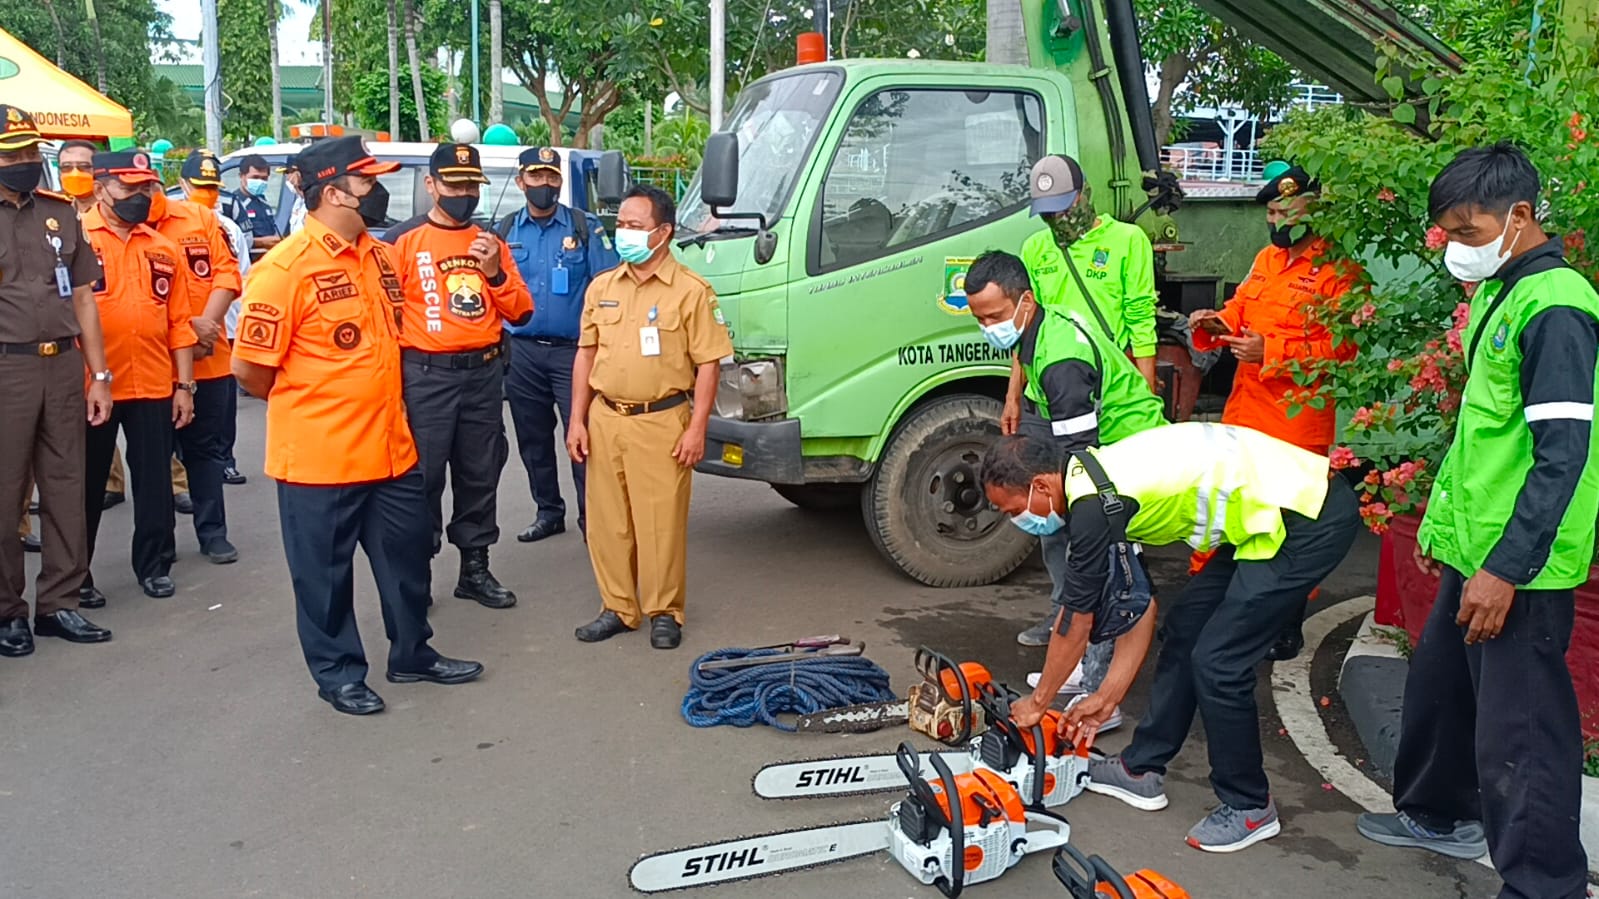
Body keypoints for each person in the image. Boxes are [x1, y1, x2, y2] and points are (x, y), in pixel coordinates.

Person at [1356, 143, 1597, 899]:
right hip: (1476, 543)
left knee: (1520, 733)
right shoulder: (1505, 287)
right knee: (1440, 693)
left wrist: (1504, 569)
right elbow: (1483, 433)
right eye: (1449, 234)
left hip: (1518, 560)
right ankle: (1436, 811)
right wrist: (1440, 533)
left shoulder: (1555, 305)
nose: (1457, 249)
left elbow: (1562, 455)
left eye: (1467, 231)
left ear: (1519, 216)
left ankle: (1544, 884)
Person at [984, 423, 1359, 853]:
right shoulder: (1094, 483)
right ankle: (1141, 770)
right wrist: (1108, 695)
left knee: (1219, 662)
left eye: (1013, 510)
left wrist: (1038, 703)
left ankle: (1249, 805)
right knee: (1185, 629)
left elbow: (1074, 623)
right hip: (1266, 522)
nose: (1018, 522)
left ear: (1038, 485)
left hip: (1309, 517)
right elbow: (1140, 606)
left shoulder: (1093, 506)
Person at [231, 135, 482, 716]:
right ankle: (340, 673)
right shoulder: (285, 271)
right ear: (333, 192)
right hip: (320, 458)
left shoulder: (380, 255)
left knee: (408, 555)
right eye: (368, 182)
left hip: (390, 448)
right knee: (324, 577)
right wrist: (314, 405)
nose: (378, 192)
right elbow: (250, 369)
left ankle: (413, 653)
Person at [966, 249, 1167, 728]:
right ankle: (1082, 670)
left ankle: (1101, 699)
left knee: (1106, 570)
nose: (988, 325)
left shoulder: (1062, 363)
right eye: (979, 318)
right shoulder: (1035, 330)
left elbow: (1078, 459)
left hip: (1126, 451)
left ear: (1024, 302)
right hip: (1100, 447)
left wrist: (1077, 519)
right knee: (1088, 562)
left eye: (994, 316)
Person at [1189, 162, 1358, 662]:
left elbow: (1344, 350)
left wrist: (1274, 352)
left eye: (1285, 208)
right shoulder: (1266, 259)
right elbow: (1241, 309)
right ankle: (1209, 616)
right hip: (1245, 419)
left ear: (1313, 208)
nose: (1275, 217)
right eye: (1270, 209)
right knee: (1229, 517)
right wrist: (1215, 322)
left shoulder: (1339, 274)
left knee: (1286, 531)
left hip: (1295, 427)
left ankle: (1285, 624)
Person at [568, 184, 732, 650]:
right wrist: (576, 419)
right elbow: (585, 354)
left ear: (663, 232)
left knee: (660, 522)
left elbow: (708, 364)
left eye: (635, 227)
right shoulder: (603, 287)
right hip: (605, 418)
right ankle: (618, 607)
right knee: (607, 522)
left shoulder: (691, 292)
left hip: (662, 420)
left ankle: (664, 610)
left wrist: (698, 427)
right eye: (620, 224)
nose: (625, 234)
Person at [383, 143, 533, 609]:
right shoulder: (400, 242)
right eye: (455, 184)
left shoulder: (492, 243)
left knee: (480, 472)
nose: (464, 193)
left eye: (472, 186)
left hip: (484, 375)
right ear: (431, 185)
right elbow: (384, 317)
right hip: (425, 376)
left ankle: (475, 568)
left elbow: (522, 310)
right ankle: (417, 573)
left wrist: (492, 273)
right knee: (422, 478)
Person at [0, 106, 114, 657]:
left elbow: (86, 298)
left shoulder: (60, 213)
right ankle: (7, 610)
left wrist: (100, 375)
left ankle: (59, 602)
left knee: (67, 485)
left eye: (27, 152)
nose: (23, 162)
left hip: (64, 364)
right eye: (11, 153)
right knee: (5, 491)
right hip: (7, 367)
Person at [80, 149, 197, 601]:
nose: (140, 196)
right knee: (85, 483)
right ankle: (76, 574)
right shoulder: (78, 239)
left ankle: (154, 564)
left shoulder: (161, 247)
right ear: (100, 188)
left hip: (152, 380)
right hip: (93, 385)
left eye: (146, 187)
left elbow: (179, 322)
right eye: (128, 187)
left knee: (154, 482)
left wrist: (184, 386)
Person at [500, 146, 618, 542]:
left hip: (574, 352)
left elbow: (607, 285)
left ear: (560, 182)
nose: (545, 185)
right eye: (536, 177)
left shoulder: (583, 227)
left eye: (552, 177)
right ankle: (548, 510)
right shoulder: (504, 231)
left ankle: (593, 518)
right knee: (532, 439)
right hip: (523, 353)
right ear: (521, 182)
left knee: (583, 434)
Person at [147, 149, 243, 564]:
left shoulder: (200, 220)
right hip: (151, 366)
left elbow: (227, 272)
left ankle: (213, 532)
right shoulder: (121, 228)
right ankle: (158, 547)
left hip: (209, 358)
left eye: (147, 185)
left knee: (205, 452)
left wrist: (206, 323)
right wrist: (188, 330)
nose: (142, 195)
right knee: (153, 460)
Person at [1017, 154, 1159, 395]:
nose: (1056, 218)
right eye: (1047, 211)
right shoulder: (1034, 248)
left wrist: (1146, 393)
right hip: (1052, 381)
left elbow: (1141, 319)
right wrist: (1014, 396)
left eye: (1063, 207)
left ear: (1084, 192)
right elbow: (1027, 327)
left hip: (1108, 380)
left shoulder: (1129, 240)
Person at [220, 154, 281, 252]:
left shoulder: (263, 202)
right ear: (241, 176)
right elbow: (230, 238)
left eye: (264, 178)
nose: (260, 182)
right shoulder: (232, 204)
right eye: (255, 177)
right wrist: (261, 242)